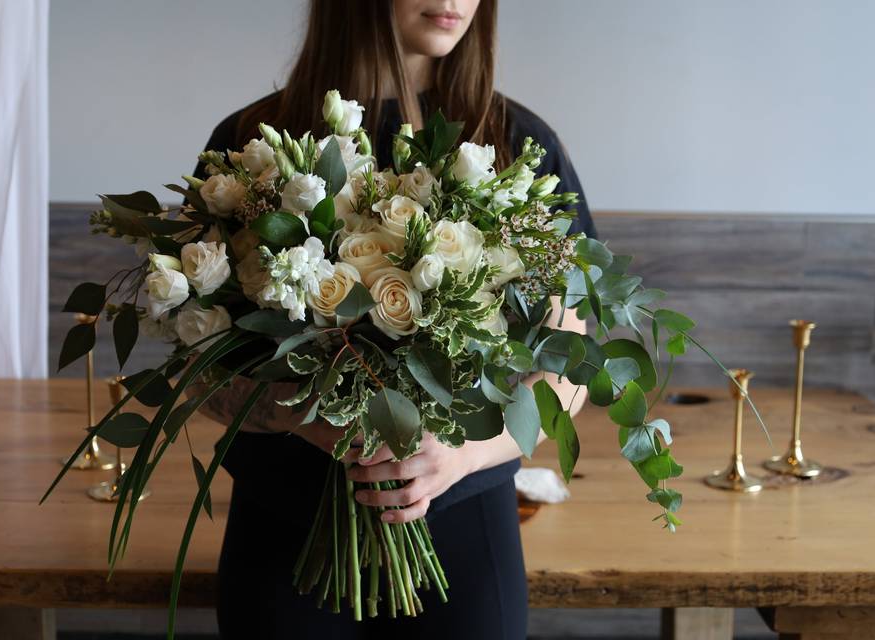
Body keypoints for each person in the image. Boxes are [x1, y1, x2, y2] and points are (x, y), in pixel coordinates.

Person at [188, 1, 596, 638]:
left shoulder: (515, 141)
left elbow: (570, 366)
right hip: (285, 523)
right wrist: (306, 419)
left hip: (464, 529)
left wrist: (462, 454)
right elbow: (197, 361)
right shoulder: (248, 144)